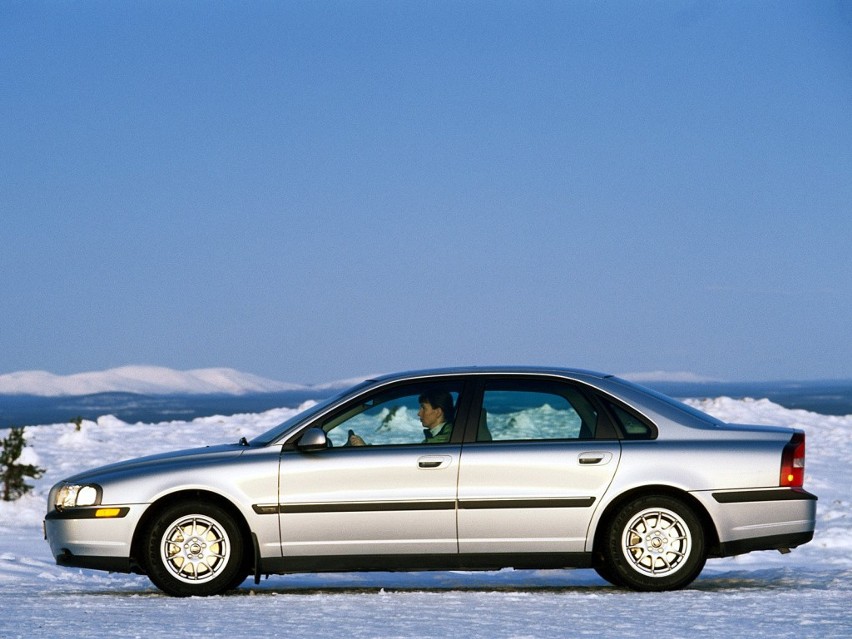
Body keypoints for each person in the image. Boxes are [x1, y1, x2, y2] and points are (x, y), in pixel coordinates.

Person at [346, 390, 454, 446]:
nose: (419, 413)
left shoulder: (441, 441)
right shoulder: (445, 437)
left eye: (423, 408)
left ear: (438, 412)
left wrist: (365, 451)